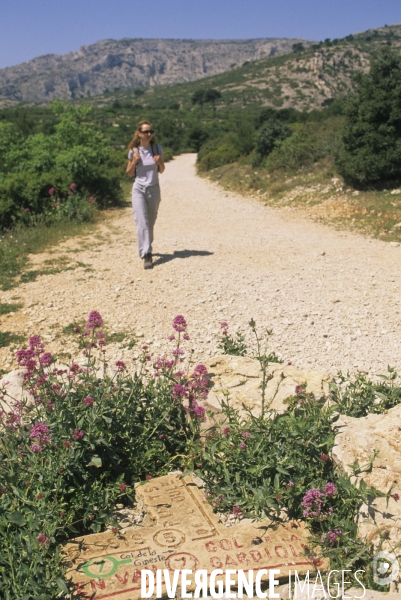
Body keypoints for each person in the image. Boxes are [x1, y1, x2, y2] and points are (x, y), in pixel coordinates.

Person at [127, 120, 165, 269]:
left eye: (151, 131)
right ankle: (146, 254)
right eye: (145, 132)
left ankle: (146, 244)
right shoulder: (133, 151)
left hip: (154, 189)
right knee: (141, 221)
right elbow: (129, 173)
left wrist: (160, 162)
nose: (149, 134)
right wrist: (134, 162)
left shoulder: (157, 149)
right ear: (138, 133)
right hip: (139, 189)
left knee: (150, 221)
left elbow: (161, 170)